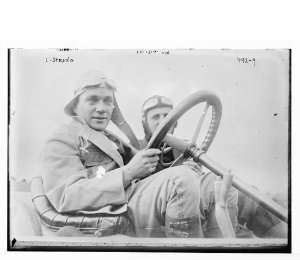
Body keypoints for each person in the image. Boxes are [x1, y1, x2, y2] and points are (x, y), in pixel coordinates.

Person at [39, 70, 204, 238]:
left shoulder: (111, 138)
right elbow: (66, 197)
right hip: (111, 213)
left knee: (212, 185)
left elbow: (149, 169)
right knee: (181, 180)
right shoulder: (62, 137)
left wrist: (184, 165)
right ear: (75, 106)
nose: (102, 108)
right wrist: (128, 173)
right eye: (92, 100)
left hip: (131, 201)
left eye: (107, 101)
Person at [140, 95, 288, 238]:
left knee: (244, 195)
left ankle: (285, 238)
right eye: (155, 117)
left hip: (192, 199)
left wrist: (194, 171)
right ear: (145, 123)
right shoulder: (136, 150)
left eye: (166, 116)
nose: (161, 121)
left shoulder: (182, 148)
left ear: (174, 121)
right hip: (161, 210)